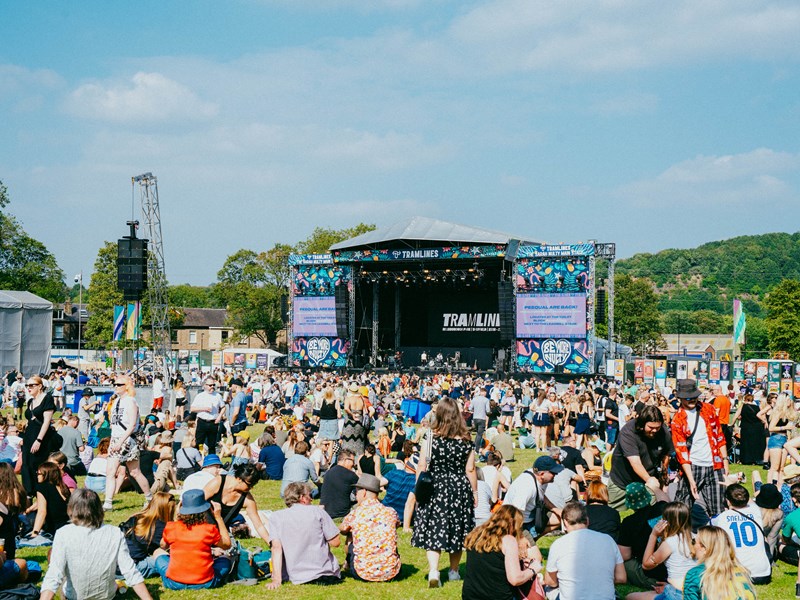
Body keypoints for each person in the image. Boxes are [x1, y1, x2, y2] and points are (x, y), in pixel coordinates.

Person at [411, 397, 477, 587]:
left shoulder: (430, 438)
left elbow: (421, 465)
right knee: (457, 528)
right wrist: (475, 492)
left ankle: (434, 570)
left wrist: (418, 490)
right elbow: (470, 469)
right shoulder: (466, 440)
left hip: (434, 486)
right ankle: (454, 571)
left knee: (435, 527)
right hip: (458, 487)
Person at [40, 489, 152, 600]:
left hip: (75, 597)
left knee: (53, 557)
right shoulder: (115, 533)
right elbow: (130, 571)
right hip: (107, 596)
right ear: (99, 508)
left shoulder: (63, 533)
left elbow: (54, 575)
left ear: (71, 508)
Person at [266, 481, 342, 588]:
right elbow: (335, 542)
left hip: (295, 576)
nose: (312, 499)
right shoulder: (317, 512)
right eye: (310, 495)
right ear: (302, 497)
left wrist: (276, 580)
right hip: (323, 572)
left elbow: (276, 548)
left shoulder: (276, 517)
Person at [544, 501, 626, 599]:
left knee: (549, 589)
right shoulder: (608, 540)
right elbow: (621, 578)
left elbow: (550, 581)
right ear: (587, 520)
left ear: (565, 522)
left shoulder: (558, 544)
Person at [671, 379, 728, 519]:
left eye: (694, 397)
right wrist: (691, 480)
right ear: (680, 398)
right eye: (688, 398)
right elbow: (681, 453)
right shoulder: (678, 419)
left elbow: (719, 436)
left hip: (715, 465)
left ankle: (717, 531)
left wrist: (725, 461)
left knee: (719, 509)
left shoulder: (708, 409)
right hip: (692, 465)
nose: (692, 400)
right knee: (682, 509)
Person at [154, 489, 232, 590]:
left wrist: (176, 518)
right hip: (205, 582)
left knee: (157, 552)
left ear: (181, 507)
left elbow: (163, 546)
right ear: (205, 509)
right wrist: (218, 517)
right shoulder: (209, 529)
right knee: (226, 558)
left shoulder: (172, 527)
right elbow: (227, 544)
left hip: (175, 583)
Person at [462, 505, 543, 600]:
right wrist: (533, 569)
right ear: (511, 523)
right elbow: (515, 579)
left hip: (470, 596)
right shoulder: (508, 540)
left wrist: (520, 563)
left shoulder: (475, 535)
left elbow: (491, 563)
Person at [627, 502, 696, 600]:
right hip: (695, 592)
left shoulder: (670, 542)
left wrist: (653, 535)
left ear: (667, 521)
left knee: (630, 597)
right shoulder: (698, 538)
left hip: (677, 595)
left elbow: (646, 565)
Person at [609, 405, 673, 511]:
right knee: (610, 513)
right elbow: (635, 463)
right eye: (651, 427)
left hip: (647, 483)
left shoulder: (663, 431)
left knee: (652, 514)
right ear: (642, 424)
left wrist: (663, 476)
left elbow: (666, 454)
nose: (655, 430)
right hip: (622, 481)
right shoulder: (628, 432)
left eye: (657, 427)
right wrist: (649, 479)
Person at [339, 473, 401, 582]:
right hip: (392, 573)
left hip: (362, 573)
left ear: (363, 492)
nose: (356, 495)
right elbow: (396, 525)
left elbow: (342, 529)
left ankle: (348, 564)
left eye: (356, 492)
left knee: (350, 533)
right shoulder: (391, 512)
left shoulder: (356, 513)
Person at [104, 375, 152, 511]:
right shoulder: (116, 401)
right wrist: (114, 440)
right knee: (110, 471)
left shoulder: (131, 402)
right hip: (116, 438)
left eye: (119, 384)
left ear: (127, 386)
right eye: (115, 384)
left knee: (135, 472)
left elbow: (132, 425)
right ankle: (108, 502)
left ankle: (149, 497)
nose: (116, 386)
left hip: (127, 440)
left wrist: (120, 441)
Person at [710, 483, 771, 584]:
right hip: (762, 573)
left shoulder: (721, 518)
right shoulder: (756, 511)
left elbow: (709, 525)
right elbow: (750, 501)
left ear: (728, 501)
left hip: (737, 573)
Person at [617, 482, 669, 590]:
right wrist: (653, 486)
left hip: (651, 575)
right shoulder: (663, 508)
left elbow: (625, 555)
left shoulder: (628, 523)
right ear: (647, 496)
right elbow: (664, 498)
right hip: (670, 569)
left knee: (623, 564)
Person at [682, 526, 756, 600]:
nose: (692, 545)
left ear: (704, 548)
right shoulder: (741, 571)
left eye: (694, 541)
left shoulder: (695, 574)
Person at [119, 491, 175, 578]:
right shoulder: (160, 527)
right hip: (132, 568)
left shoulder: (136, 517)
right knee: (169, 561)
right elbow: (164, 549)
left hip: (115, 564)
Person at [503, 455, 562, 537]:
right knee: (529, 544)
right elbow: (514, 513)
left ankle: (533, 539)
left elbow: (541, 495)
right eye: (553, 472)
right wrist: (518, 536)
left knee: (559, 518)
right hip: (520, 523)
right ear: (542, 474)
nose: (556, 474)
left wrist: (556, 510)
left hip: (532, 517)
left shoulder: (541, 479)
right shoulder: (527, 487)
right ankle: (528, 541)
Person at [21, 375, 59, 495]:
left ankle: (41, 493)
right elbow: (29, 421)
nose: (28, 388)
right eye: (27, 385)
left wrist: (39, 440)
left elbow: (47, 421)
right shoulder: (30, 401)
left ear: (40, 386)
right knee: (26, 465)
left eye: (32, 385)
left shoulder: (47, 399)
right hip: (28, 436)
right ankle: (29, 493)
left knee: (37, 465)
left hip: (41, 437)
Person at [24, 460, 70, 539]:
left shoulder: (42, 487)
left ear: (46, 475)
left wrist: (35, 533)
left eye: (39, 474)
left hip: (54, 529)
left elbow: (42, 512)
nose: (37, 476)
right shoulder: (62, 487)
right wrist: (29, 510)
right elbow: (44, 502)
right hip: (66, 525)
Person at [320, 448, 359, 519]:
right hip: (342, 513)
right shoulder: (350, 475)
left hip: (326, 513)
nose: (354, 464)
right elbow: (361, 493)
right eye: (353, 461)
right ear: (345, 460)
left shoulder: (328, 473)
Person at [190, 378, 225, 455]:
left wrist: (219, 417)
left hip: (213, 422)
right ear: (205, 386)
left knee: (212, 444)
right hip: (202, 421)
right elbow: (192, 409)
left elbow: (223, 407)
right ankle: (199, 458)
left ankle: (211, 460)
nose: (212, 387)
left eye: (213, 385)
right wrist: (204, 408)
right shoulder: (200, 396)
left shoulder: (217, 396)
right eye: (210, 385)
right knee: (199, 443)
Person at [731, 392, 765, 465]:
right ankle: (756, 459)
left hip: (746, 427)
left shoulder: (743, 406)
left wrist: (732, 424)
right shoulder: (758, 407)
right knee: (755, 444)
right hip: (757, 427)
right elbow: (762, 417)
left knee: (746, 443)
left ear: (745, 399)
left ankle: (746, 459)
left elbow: (736, 415)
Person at [471, 386, 491, 453]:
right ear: (484, 393)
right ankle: (476, 449)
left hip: (475, 418)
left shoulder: (474, 399)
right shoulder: (486, 400)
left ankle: (475, 446)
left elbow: (470, 408)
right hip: (482, 418)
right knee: (479, 434)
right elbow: (488, 410)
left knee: (477, 434)